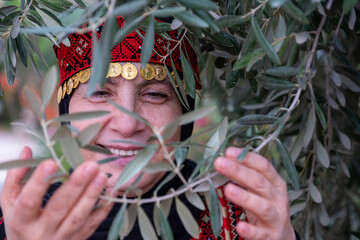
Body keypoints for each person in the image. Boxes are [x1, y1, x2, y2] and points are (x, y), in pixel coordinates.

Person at [0, 17, 300, 240]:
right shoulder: (19, 219)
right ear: (67, 110)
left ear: (185, 113)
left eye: (155, 95)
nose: (128, 124)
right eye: (100, 93)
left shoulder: (242, 218)